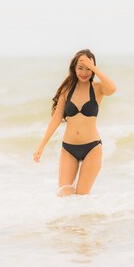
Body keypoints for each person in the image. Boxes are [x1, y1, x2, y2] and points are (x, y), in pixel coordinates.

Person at [33, 49, 117, 196]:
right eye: (80, 68)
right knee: (64, 194)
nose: (84, 72)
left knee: (82, 196)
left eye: (88, 69)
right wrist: (41, 146)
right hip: (68, 149)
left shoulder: (98, 89)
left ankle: (86, 219)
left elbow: (113, 88)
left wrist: (94, 68)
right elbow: (56, 118)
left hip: (92, 148)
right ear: (74, 68)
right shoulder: (67, 89)